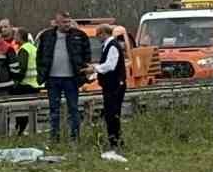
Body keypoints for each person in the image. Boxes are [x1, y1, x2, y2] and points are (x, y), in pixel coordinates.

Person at [35, 12, 91, 141]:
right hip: (53, 79)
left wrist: (83, 72)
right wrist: (41, 72)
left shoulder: (79, 36)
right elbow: (40, 56)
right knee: (54, 110)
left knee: (73, 109)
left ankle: (75, 138)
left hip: (71, 79)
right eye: (64, 22)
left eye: (68, 22)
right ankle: (54, 137)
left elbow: (86, 55)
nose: (67, 25)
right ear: (57, 22)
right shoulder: (47, 36)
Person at [92, 24, 128, 149]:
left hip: (114, 86)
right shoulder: (108, 46)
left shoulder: (112, 46)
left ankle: (116, 142)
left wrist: (94, 68)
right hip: (110, 85)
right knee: (110, 114)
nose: (97, 37)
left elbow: (110, 66)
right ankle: (115, 141)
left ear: (104, 33)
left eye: (98, 34)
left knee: (112, 114)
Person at [11, 30, 40, 97]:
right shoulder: (32, 47)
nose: (14, 38)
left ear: (19, 36)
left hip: (28, 85)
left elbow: (22, 68)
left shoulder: (24, 49)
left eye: (15, 35)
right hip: (37, 84)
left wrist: (16, 82)